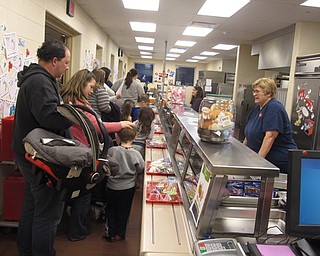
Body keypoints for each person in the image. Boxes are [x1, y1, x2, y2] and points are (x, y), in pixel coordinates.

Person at [12, 39, 73, 256]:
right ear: (54, 60)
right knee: (47, 212)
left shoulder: (35, 78)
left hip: (28, 153)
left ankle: (26, 250)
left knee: (32, 205)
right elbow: (49, 117)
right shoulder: (40, 82)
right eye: (66, 62)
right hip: (37, 156)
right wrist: (72, 115)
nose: (67, 67)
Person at [59, 69, 135, 241]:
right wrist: (121, 124)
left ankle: (64, 226)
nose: (92, 91)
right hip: (82, 152)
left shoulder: (68, 100)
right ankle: (78, 230)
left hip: (73, 150)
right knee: (84, 193)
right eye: (91, 87)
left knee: (69, 192)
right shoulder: (79, 104)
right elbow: (96, 126)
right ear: (82, 84)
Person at [243, 77, 297, 173]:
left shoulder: (274, 108)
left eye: (257, 91)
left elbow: (270, 137)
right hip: (264, 161)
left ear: (269, 93)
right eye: (254, 91)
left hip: (278, 164)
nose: (254, 94)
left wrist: (258, 163)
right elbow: (248, 135)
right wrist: (242, 152)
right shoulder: (257, 109)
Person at [104, 127, 144, 242]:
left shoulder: (112, 151)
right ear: (134, 138)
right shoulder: (136, 153)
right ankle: (119, 234)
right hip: (128, 187)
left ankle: (110, 232)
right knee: (124, 210)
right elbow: (141, 168)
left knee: (110, 209)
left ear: (118, 137)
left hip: (112, 186)